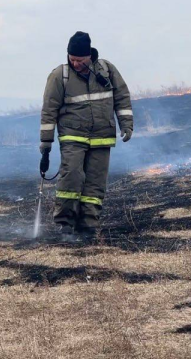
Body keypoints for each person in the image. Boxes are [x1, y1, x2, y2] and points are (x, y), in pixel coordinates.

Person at [39, 31, 133, 240]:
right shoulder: (59, 75)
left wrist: (126, 124)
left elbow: (122, 98)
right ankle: (64, 224)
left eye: (79, 60)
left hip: (102, 136)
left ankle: (88, 226)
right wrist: (46, 142)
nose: (75, 64)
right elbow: (48, 110)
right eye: (72, 59)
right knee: (71, 177)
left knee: (95, 182)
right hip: (72, 137)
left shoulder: (107, 70)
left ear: (89, 56)